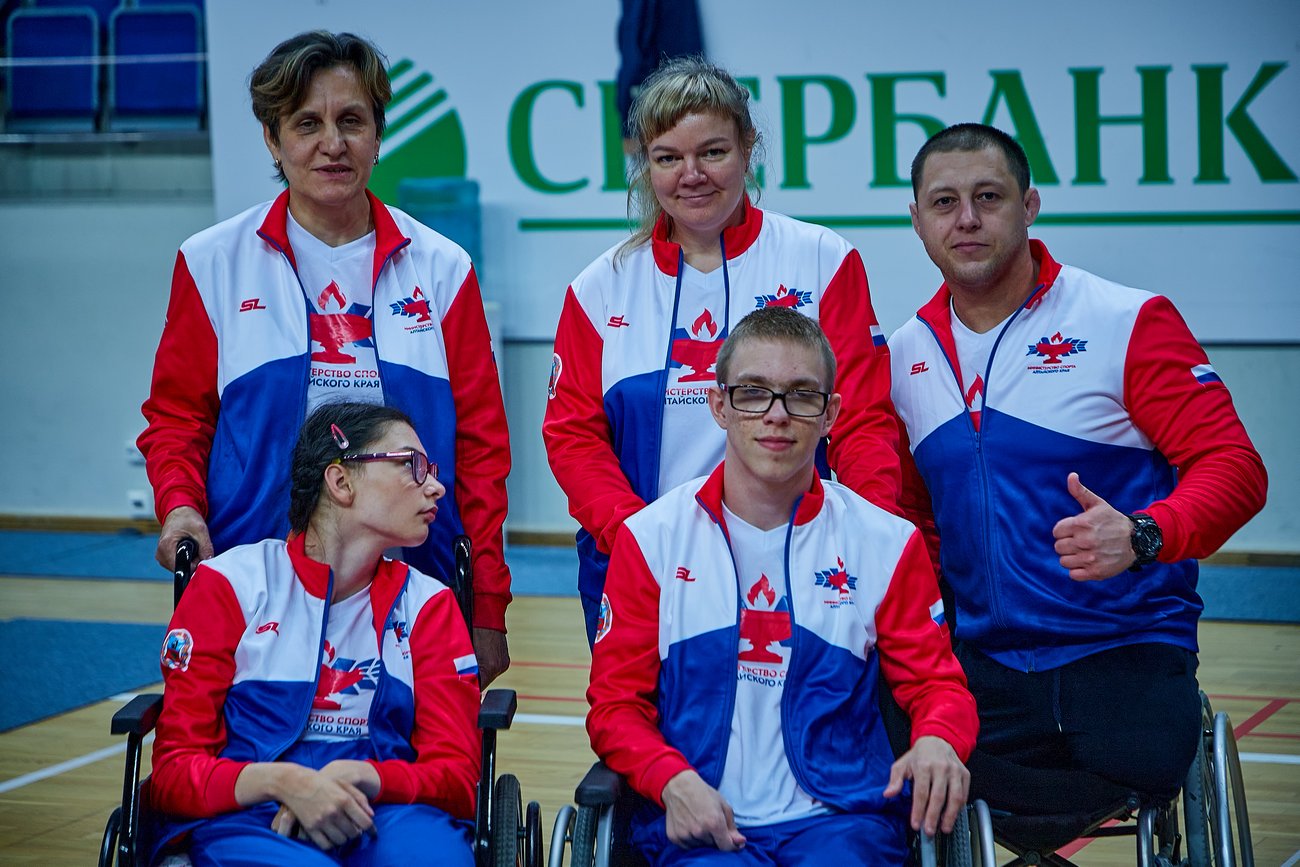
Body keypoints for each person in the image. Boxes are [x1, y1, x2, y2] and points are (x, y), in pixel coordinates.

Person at [890, 123, 1268, 817]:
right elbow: (915, 522)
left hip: (1123, 650)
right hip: (984, 667)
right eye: (944, 202)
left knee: (1143, 760)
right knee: (887, 745)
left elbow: (1235, 468)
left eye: (988, 196)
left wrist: (1143, 534)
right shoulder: (904, 355)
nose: (966, 218)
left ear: (1029, 206)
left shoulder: (1125, 319)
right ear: (917, 220)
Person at [137, 31, 512, 684]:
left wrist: (487, 603)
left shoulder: (443, 268)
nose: (332, 144)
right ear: (272, 138)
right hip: (253, 580)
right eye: (307, 123)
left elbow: (481, 448)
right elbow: (177, 419)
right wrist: (180, 506)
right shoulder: (211, 261)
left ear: (378, 135)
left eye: (352, 121)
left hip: (416, 585)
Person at [586, 308, 977, 866]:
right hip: (699, 829)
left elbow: (939, 686)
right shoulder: (651, 540)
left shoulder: (885, 542)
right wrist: (670, 779)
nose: (777, 414)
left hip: (842, 825)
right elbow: (615, 707)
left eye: (801, 395)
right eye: (753, 392)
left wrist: (938, 738)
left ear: (830, 414)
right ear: (719, 405)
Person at [543, 56, 899, 645]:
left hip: (803, 566)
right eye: (667, 158)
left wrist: (865, 535)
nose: (692, 175)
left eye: (712, 152)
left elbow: (862, 421)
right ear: (645, 164)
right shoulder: (601, 287)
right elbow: (573, 437)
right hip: (647, 572)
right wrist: (642, 541)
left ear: (748, 147)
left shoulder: (822, 259)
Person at [146, 401, 479, 866]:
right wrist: (284, 782)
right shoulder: (229, 585)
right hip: (249, 815)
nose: (436, 486)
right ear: (341, 482)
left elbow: (459, 778)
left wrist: (366, 776)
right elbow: (174, 774)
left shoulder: (430, 605)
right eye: (411, 465)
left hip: (390, 809)